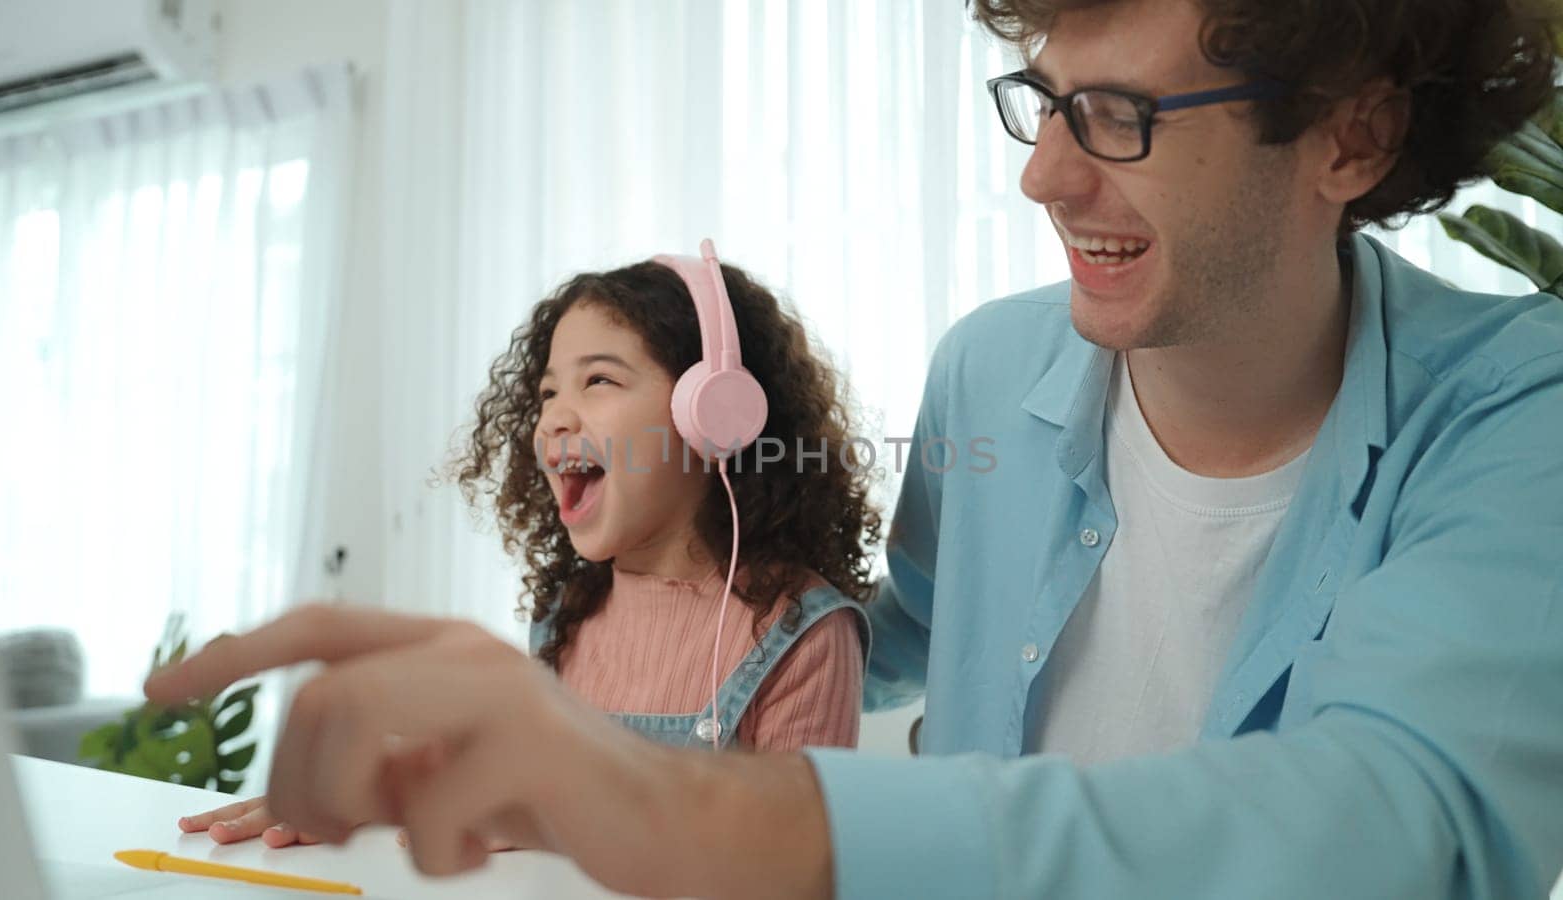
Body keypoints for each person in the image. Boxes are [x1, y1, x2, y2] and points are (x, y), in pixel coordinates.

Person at [146, 0, 1563, 897]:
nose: (1045, 176)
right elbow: (898, 629)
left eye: (1121, 117)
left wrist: (686, 809)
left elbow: (1402, 816)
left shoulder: (1516, 409)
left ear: (1352, 137)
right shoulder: (993, 366)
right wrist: (663, 609)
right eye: (1047, 101)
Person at [173, 256, 880, 849]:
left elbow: (787, 867)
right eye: (546, 392)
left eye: (599, 380)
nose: (553, 417)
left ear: (715, 414)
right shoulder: (568, 612)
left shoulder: (801, 633)